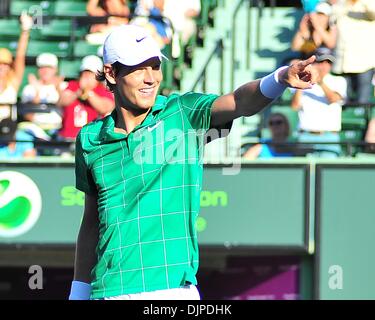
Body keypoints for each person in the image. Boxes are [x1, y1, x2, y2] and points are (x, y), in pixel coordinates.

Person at [69, 24, 317, 300]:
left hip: (171, 289)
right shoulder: (89, 139)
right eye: (139, 68)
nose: (151, 77)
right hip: (106, 290)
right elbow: (91, 223)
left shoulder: (183, 113)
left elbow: (240, 101)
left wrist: (280, 78)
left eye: (155, 66)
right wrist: (78, 294)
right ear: (111, 73)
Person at [291, 47, 347, 157]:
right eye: (321, 62)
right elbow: (295, 106)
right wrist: (302, 82)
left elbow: (333, 99)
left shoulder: (339, 81)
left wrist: (320, 81)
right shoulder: (302, 81)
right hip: (306, 135)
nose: (325, 65)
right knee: (303, 173)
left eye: (328, 62)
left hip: (329, 137)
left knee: (329, 173)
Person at [57, 55, 115, 140]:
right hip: (68, 137)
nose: (87, 76)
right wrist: (78, 92)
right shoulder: (72, 86)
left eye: (90, 74)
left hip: (92, 139)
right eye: (85, 73)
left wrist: (88, 93)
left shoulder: (102, 90)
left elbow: (105, 108)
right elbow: (61, 101)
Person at [331, 0, 375, 103]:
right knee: (342, 102)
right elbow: (333, 16)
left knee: (362, 104)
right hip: (341, 63)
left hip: (364, 62)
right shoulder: (341, 3)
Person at [0, 13, 33, 120]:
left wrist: (25, 31)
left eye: (5, 64)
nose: (2, 67)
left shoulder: (13, 81)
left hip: (8, 128)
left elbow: (20, 55)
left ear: (9, 66)